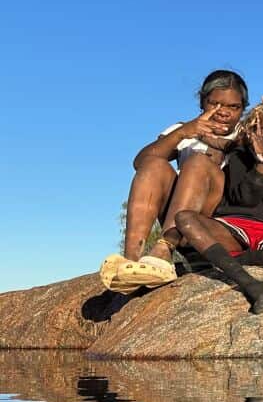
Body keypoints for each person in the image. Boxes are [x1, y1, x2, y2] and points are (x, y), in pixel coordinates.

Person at [103, 70, 247, 291]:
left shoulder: (248, 135)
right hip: (182, 216)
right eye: (215, 104)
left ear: (243, 108)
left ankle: (164, 250)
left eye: (233, 107)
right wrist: (182, 133)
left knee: (199, 163)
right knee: (154, 164)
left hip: (217, 223)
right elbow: (140, 163)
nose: (224, 112)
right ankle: (132, 260)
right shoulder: (186, 130)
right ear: (202, 102)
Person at [173, 96, 263, 314]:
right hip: (234, 226)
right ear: (252, 131)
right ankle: (250, 284)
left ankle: (232, 261)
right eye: (262, 129)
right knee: (184, 218)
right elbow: (243, 198)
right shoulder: (240, 157)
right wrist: (261, 163)